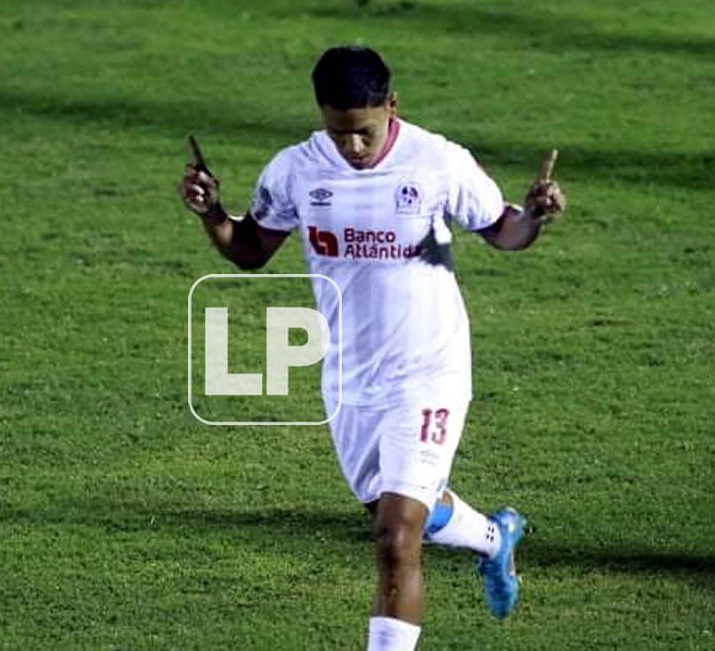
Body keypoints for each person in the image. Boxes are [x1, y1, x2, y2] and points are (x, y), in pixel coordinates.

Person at [178, 45, 566, 651]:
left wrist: (535, 217)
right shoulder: (297, 169)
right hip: (349, 374)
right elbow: (251, 249)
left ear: (392, 106)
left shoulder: (437, 162)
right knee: (390, 511)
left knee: (395, 536)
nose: (352, 148)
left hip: (428, 368)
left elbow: (504, 230)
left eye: (363, 133)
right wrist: (211, 213)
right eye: (339, 134)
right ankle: (495, 538)